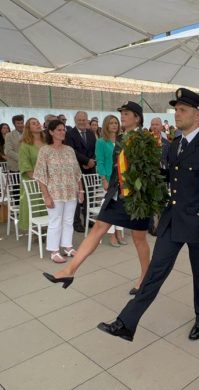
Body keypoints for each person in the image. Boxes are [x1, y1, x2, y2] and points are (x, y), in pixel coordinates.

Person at [96, 88, 199, 342]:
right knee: (155, 271)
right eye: (175, 110)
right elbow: (170, 177)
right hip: (173, 219)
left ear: (198, 114)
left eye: (182, 110)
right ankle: (126, 323)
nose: (176, 114)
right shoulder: (175, 144)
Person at [44, 101, 153, 295]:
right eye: (122, 113)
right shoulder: (120, 138)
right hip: (116, 195)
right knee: (98, 229)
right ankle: (69, 270)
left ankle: (145, 276)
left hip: (137, 198)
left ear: (137, 117)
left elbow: (149, 170)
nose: (122, 116)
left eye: (127, 113)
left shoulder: (144, 138)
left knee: (139, 239)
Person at [33, 120, 83, 263]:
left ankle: (67, 246)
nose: (63, 132)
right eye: (59, 130)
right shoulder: (45, 150)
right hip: (54, 192)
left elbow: (76, 172)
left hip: (70, 191)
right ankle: (54, 251)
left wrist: (81, 190)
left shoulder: (69, 150)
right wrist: (46, 196)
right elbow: (40, 175)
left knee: (68, 221)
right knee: (55, 221)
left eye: (63, 130)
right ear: (51, 132)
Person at [95, 115, 126, 247]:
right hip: (109, 178)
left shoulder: (122, 140)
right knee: (111, 207)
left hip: (123, 179)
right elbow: (100, 162)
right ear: (106, 125)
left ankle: (119, 233)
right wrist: (104, 179)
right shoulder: (101, 142)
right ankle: (112, 235)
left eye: (116, 123)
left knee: (121, 207)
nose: (114, 125)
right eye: (111, 123)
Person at [64, 111, 96, 233]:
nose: (82, 122)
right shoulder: (70, 134)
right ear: (75, 120)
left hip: (90, 168)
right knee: (78, 198)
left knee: (90, 196)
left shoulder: (91, 133)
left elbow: (94, 149)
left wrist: (92, 161)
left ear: (87, 120)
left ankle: (89, 219)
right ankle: (76, 222)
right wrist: (86, 161)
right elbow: (72, 151)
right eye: (79, 120)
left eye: (84, 120)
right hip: (77, 169)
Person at [18, 118, 46, 231]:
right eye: (34, 124)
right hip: (32, 181)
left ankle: (47, 228)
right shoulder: (25, 144)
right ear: (28, 128)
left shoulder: (46, 143)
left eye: (38, 122)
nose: (38, 125)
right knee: (35, 205)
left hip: (47, 180)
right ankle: (35, 231)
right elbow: (25, 165)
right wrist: (38, 179)